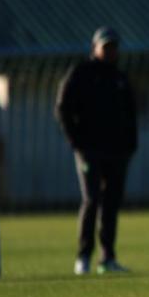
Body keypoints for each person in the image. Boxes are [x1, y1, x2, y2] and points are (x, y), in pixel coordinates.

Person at [55, 27, 137, 275]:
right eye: (106, 46)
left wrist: (130, 145)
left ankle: (107, 257)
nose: (110, 51)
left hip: (116, 152)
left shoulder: (120, 78)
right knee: (91, 200)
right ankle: (83, 257)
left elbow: (131, 115)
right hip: (89, 150)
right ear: (95, 47)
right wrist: (76, 140)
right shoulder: (81, 74)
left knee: (111, 203)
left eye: (114, 47)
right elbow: (63, 107)